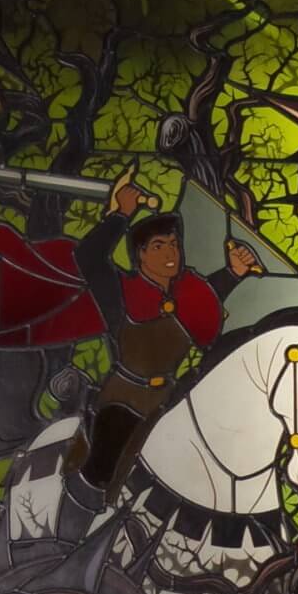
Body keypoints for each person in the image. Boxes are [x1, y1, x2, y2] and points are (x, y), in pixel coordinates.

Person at [70, 167, 263, 494]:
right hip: (123, 399)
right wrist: (121, 214)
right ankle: (84, 503)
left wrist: (234, 271)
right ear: (140, 254)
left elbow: (204, 302)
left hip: (169, 398)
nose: (171, 253)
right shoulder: (121, 292)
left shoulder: (190, 291)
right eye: (159, 246)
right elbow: (88, 257)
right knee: (104, 468)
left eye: (174, 244)